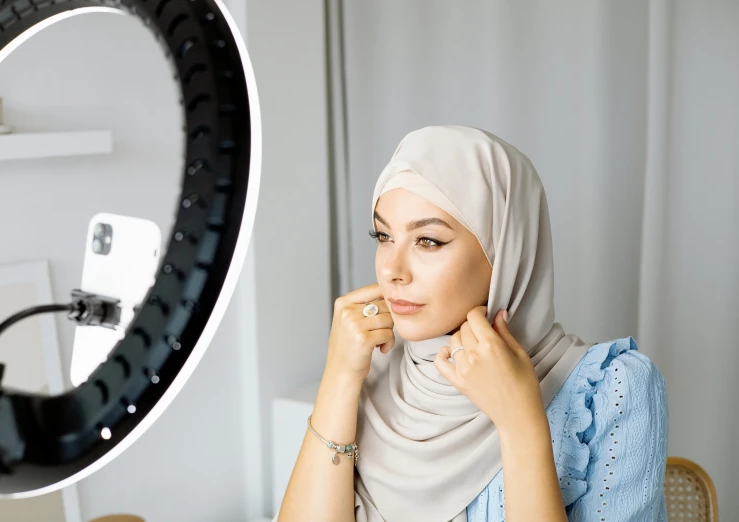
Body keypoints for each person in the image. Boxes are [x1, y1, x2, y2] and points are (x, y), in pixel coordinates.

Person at [273, 125, 668, 522]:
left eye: (428, 240)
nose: (392, 270)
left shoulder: (613, 389)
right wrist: (339, 377)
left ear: (506, 250)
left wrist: (520, 422)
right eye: (383, 235)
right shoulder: (372, 368)